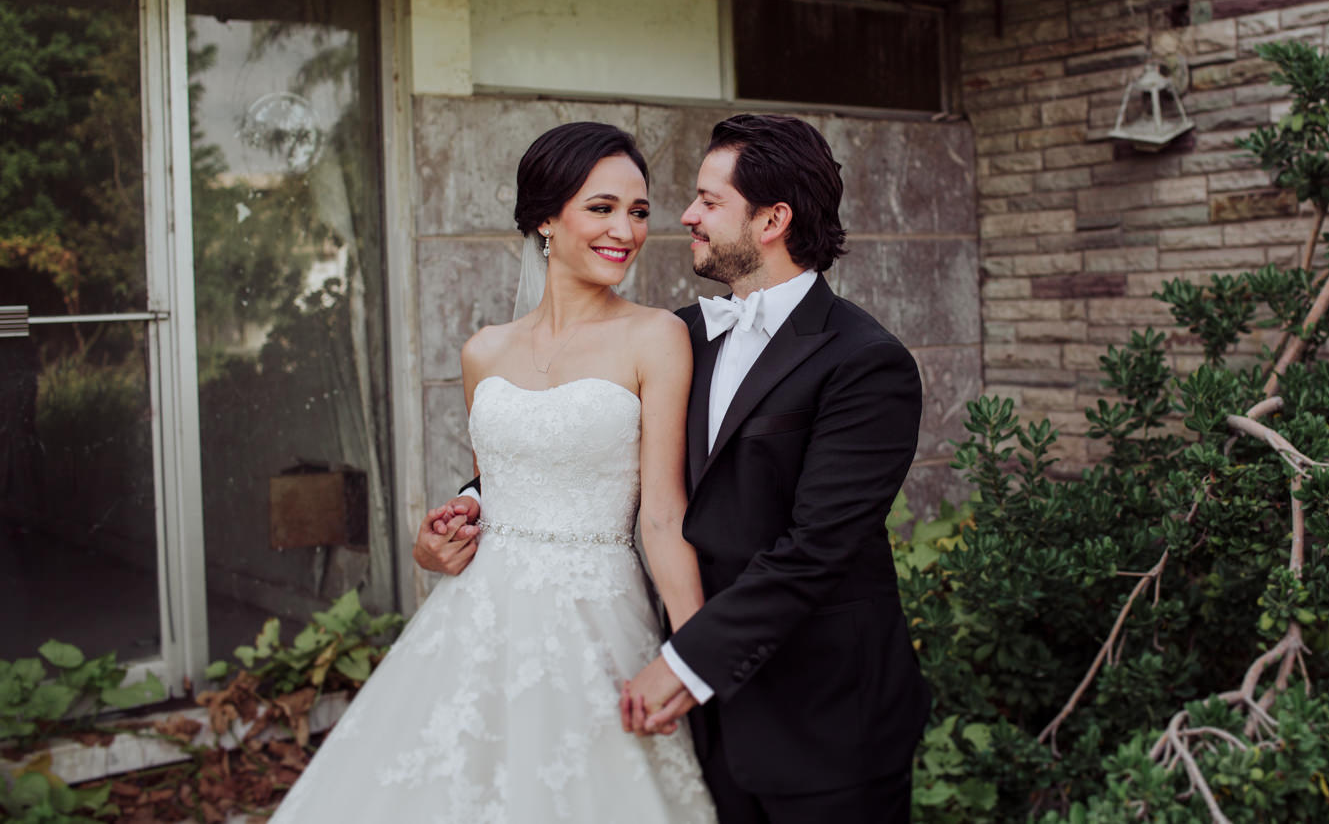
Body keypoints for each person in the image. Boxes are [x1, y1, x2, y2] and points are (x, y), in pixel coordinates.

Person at [425, 114, 931, 823]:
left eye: (708, 200)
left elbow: (817, 549)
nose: (684, 216)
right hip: (697, 711)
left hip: (821, 717)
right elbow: (585, 452)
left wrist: (689, 661)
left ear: (772, 220)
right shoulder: (677, 336)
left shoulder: (864, 361)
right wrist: (470, 504)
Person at [272, 122, 716, 823]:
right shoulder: (483, 351)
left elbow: (661, 514)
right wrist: (439, 535)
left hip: (597, 613)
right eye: (601, 208)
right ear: (545, 216)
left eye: (638, 211)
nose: (626, 231)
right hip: (477, 616)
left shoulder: (655, 336)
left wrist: (697, 650)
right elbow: (492, 488)